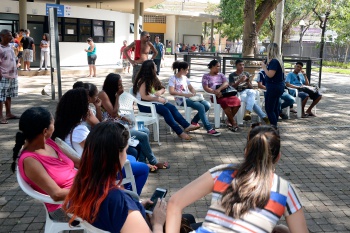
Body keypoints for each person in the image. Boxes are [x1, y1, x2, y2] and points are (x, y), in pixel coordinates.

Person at [166, 125, 309, 233]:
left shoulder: (222, 172)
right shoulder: (285, 190)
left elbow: (174, 203)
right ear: (278, 157)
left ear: (246, 151)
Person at [63, 121, 167, 233]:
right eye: (126, 151)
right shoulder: (119, 200)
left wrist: (139, 205)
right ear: (118, 155)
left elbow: (107, 212)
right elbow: (118, 209)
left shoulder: (82, 185)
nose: (127, 155)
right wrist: (158, 223)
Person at [52, 88, 149, 196]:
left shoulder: (63, 127)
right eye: (87, 104)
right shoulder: (79, 130)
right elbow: (101, 150)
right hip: (99, 171)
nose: (89, 107)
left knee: (131, 158)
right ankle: (131, 198)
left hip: (91, 166)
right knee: (144, 168)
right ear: (80, 108)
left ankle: (125, 190)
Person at [11, 107, 80, 221]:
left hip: (80, 192)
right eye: (53, 124)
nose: (55, 126)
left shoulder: (48, 142)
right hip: (64, 207)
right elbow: (56, 194)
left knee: (116, 191)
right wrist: (91, 189)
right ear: (45, 131)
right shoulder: (30, 161)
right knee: (115, 203)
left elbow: (77, 162)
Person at [98, 73, 170, 171]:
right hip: (113, 128)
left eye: (121, 84)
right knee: (143, 136)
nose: (121, 87)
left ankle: (142, 162)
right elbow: (112, 113)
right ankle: (153, 161)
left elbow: (115, 114)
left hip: (120, 122)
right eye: (119, 84)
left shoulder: (113, 93)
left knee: (145, 130)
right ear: (112, 84)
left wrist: (122, 117)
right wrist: (118, 96)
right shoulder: (103, 94)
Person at [133, 60, 200, 141]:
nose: (156, 66)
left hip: (152, 102)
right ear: (150, 68)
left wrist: (159, 92)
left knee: (172, 107)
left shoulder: (153, 78)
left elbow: (162, 88)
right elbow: (144, 97)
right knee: (165, 111)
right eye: (154, 65)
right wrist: (158, 99)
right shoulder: (143, 81)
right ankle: (180, 133)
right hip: (144, 105)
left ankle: (186, 126)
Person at [169, 61, 221, 136]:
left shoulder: (185, 78)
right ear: (181, 70)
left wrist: (193, 92)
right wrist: (185, 94)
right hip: (181, 99)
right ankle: (209, 128)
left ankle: (194, 121)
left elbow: (191, 88)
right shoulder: (173, 78)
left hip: (190, 98)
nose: (188, 71)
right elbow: (171, 92)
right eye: (187, 70)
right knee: (201, 106)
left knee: (207, 105)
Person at [202, 60, 241, 132]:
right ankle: (233, 122)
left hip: (225, 93)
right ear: (212, 67)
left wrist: (219, 90)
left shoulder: (221, 75)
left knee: (237, 101)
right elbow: (206, 87)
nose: (219, 68)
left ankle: (229, 120)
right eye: (217, 66)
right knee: (225, 102)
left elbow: (226, 83)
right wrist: (214, 92)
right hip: (215, 96)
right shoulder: (206, 76)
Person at [229, 59, 269, 124]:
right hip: (239, 92)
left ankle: (248, 112)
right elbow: (232, 87)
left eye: (243, 65)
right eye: (240, 65)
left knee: (252, 92)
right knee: (251, 101)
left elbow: (251, 87)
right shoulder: (232, 75)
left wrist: (248, 82)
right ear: (236, 66)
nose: (242, 66)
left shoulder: (246, 74)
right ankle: (263, 116)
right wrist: (240, 81)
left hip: (248, 91)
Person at [261, 43, 285, 126]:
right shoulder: (278, 60)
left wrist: (264, 67)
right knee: (275, 108)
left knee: (269, 109)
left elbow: (270, 74)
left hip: (273, 87)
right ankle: (274, 126)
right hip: (278, 86)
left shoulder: (274, 61)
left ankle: (273, 127)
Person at [0, 29, 19, 124]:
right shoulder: (0, 48)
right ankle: (0, 116)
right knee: (1, 97)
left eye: (11, 35)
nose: (11, 37)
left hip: (12, 76)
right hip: (3, 76)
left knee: (8, 95)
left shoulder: (10, 47)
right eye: (8, 35)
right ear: (2, 36)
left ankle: (8, 113)